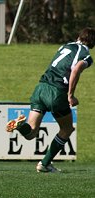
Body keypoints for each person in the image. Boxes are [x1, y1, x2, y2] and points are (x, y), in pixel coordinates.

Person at [6, 27, 95, 173]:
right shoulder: (86, 55)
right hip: (56, 92)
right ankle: (45, 164)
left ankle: (20, 125)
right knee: (67, 129)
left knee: (31, 133)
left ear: (79, 36)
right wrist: (70, 95)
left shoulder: (65, 46)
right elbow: (76, 69)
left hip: (40, 88)